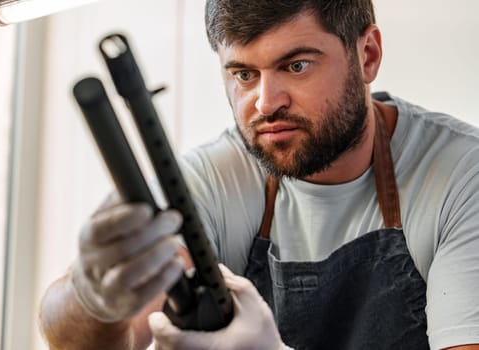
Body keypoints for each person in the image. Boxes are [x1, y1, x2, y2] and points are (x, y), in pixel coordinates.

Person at [39, 1, 479, 349]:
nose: (266, 103)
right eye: (245, 74)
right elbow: (77, 335)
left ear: (368, 55)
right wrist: (92, 297)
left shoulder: (460, 176)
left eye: (296, 66)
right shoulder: (216, 179)